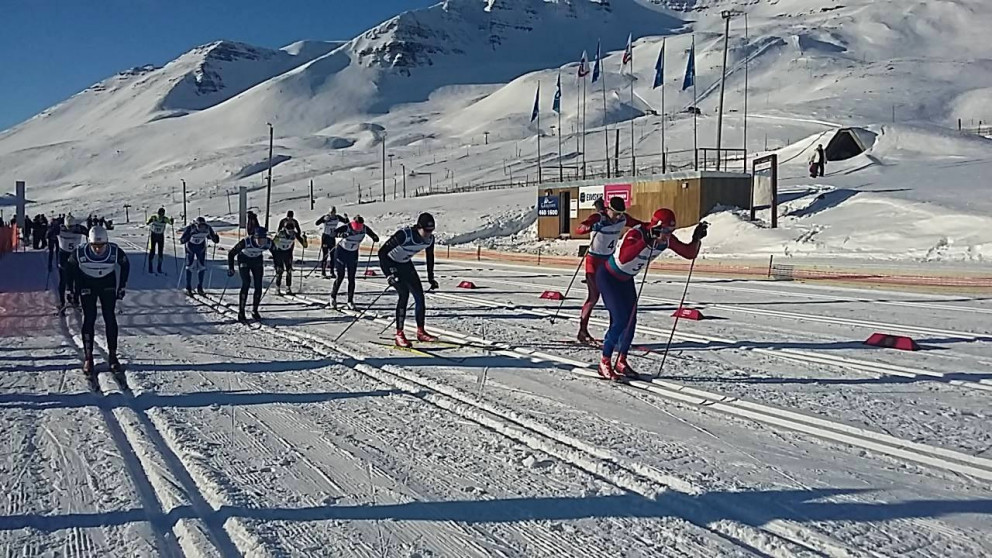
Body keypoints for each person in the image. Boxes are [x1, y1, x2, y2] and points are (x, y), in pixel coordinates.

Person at [596, 208, 707, 380]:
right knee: (620, 320)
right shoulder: (637, 233)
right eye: (665, 231)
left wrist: (696, 238)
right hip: (608, 277)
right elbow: (625, 257)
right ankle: (604, 361)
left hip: (626, 280)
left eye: (671, 231)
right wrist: (647, 240)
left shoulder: (666, 239)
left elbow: (688, 253)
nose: (667, 236)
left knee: (631, 321)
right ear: (656, 226)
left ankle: (622, 360)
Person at [573, 197, 647, 345]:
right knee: (593, 297)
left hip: (609, 262)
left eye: (621, 213)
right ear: (609, 209)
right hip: (594, 261)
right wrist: (588, 226)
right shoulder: (598, 217)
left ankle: (616, 332)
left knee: (614, 299)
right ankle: (582, 331)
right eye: (616, 213)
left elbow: (640, 225)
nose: (619, 217)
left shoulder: (622, 219)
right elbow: (579, 229)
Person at [67, 225, 130, 377]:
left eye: (101, 245)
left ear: (107, 242)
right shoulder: (80, 251)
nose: (98, 249)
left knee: (110, 317)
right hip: (87, 284)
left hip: (107, 283)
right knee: (89, 318)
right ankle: (88, 358)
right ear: (89, 242)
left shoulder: (114, 250)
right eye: (94, 245)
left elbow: (125, 264)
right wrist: (71, 290)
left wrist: (122, 286)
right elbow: (69, 268)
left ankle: (113, 356)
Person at [378, 212, 439, 348]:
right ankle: (399, 334)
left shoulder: (430, 239)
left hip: (405, 264)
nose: (429, 233)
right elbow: (382, 253)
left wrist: (431, 278)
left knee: (419, 296)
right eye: (426, 230)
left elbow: (430, 257)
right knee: (403, 294)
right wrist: (389, 275)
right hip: (391, 264)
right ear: (419, 227)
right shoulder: (404, 235)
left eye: (431, 230)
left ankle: (421, 332)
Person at [332, 215, 380, 310]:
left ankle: (350, 300)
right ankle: (333, 297)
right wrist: (341, 235)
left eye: (359, 229)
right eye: (355, 229)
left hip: (353, 254)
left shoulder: (365, 228)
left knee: (351, 278)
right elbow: (333, 233)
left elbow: (375, 237)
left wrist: (374, 237)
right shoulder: (347, 226)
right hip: (341, 253)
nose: (357, 231)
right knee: (340, 276)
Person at [227, 226, 273, 322]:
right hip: (244, 259)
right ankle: (241, 311)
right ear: (255, 238)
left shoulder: (268, 242)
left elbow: (276, 253)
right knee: (246, 283)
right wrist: (231, 268)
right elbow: (231, 253)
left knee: (258, 285)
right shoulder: (246, 242)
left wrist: (279, 266)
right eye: (260, 240)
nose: (262, 242)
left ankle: (255, 310)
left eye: (263, 239)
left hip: (257, 260)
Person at [179, 217, 220, 296]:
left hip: (201, 248)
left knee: (201, 267)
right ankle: (188, 287)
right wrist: (187, 237)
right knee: (189, 266)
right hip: (190, 248)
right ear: (196, 225)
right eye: (200, 226)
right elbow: (182, 240)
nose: (202, 228)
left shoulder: (208, 228)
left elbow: (212, 237)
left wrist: (215, 238)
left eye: (203, 226)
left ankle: (200, 287)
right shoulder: (190, 228)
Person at [55, 217, 89, 309]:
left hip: (75, 255)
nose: (70, 229)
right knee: (63, 279)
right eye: (69, 227)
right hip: (63, 255)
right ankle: (62, 301)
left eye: (72, 227)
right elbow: (49, 233)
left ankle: (76, 298)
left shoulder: (79, 228)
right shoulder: (60, 228)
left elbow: (89, 233)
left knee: (77, 278)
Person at [271, 221, 307, 296]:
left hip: (287, 253)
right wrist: (274, 255)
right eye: (288, 230)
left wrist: (304, 239)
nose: (290, 232)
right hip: (279, 252)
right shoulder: (280, 234)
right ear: (285, 229)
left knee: (289, 271)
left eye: (292, 230)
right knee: (280, 271)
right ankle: (277, 288)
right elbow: (272, 244)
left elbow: (304, 245)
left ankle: (288, 288)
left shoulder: (294, 234)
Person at [316, 207, 348, 278]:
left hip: (332, 238)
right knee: (325, 255)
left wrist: (346, 217)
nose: (332, 214)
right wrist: (323, 220)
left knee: (332, 255)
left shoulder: (337, 217)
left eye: (333, 213)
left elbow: (346, 222)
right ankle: (323, 272)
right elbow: (317, 223)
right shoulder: (326, 217)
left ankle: (332, 272)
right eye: (331, 213)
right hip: (325, 237)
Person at [146, 208, 174, 274]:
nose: (161, 215)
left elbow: (170, 223)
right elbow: (147, 222)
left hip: (159, 236)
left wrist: (171, 221)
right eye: (160, 213)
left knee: (159, 252)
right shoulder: (155, 217)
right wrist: (149, 221)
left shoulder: (164, 219)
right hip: (154, 235)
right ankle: (152, 268)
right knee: (153, 251)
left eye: (162, 213)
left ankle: (158, 268)